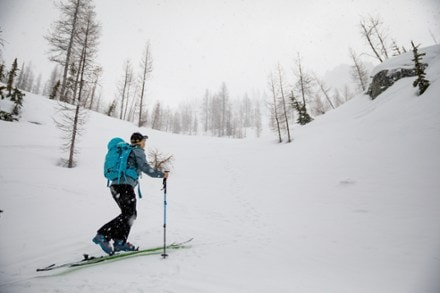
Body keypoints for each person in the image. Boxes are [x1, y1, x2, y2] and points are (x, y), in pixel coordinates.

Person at [93, 132, 168, 254]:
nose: (144, 144)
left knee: (130, 214)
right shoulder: (137, 151)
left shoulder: (126, 152)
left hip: (115, 187)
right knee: (129, 214)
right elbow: (145, 168)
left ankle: (119, 241)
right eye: (144, 141)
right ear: (138, 141)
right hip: (125, 186)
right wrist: (162, 174)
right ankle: (103, 234)